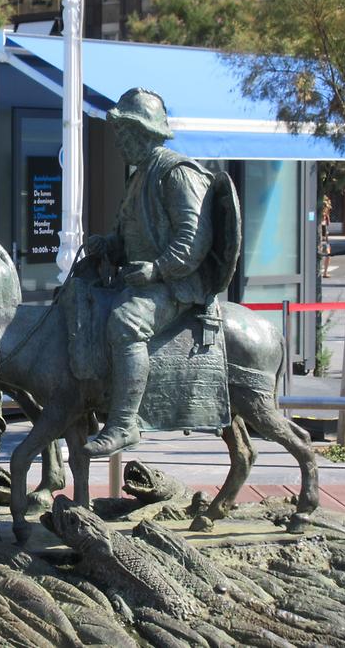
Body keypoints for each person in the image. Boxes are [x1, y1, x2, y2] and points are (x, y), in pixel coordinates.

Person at [83, 88, 216, 457]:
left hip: (176, 285)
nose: (118, 143)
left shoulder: (176, 173)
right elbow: (131, 234)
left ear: (144, 133)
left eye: (123, 134)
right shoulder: (139, 176)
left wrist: (157, 269)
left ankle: (124, 423)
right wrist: (108, 244)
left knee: (126, 322)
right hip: (140, 278)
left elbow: (194, 239)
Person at [320, 196, 332, 278]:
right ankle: (321, 271)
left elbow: (327, 225)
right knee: (320, 254)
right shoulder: (320, 214)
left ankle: (325, 272)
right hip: (320, 238)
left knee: (328, 254)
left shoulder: (326, 216)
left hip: (325, 238)